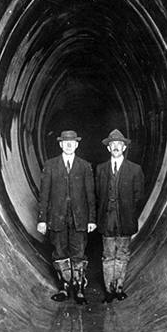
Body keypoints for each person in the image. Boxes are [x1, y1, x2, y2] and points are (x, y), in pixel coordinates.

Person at [37, 130, 97, 305]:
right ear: (60, 144)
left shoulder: (85, 166)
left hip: (79, 218)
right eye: (65, 142)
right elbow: (44, 195)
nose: (69, 145)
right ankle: (64, 287)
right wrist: (42, 219)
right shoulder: (50, 165)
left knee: (79, 252)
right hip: (57, 217)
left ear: (77, 145)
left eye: (72, 143)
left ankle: (79, 289)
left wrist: (91, 219)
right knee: (60, 252)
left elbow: (90, 195)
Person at [95, 129, 145, 304]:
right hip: (107, 220)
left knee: (122, 254)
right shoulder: (101, 169)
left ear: (124, 148)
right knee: (108, 255)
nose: (116, 147)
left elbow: (139, 195)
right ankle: (109, 290)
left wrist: (126, 208)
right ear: (108, 148)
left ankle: (119, 288)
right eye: (113, 144)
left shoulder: (135, 170)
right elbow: (97, 194)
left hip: (125, 219)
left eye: (119, 144)